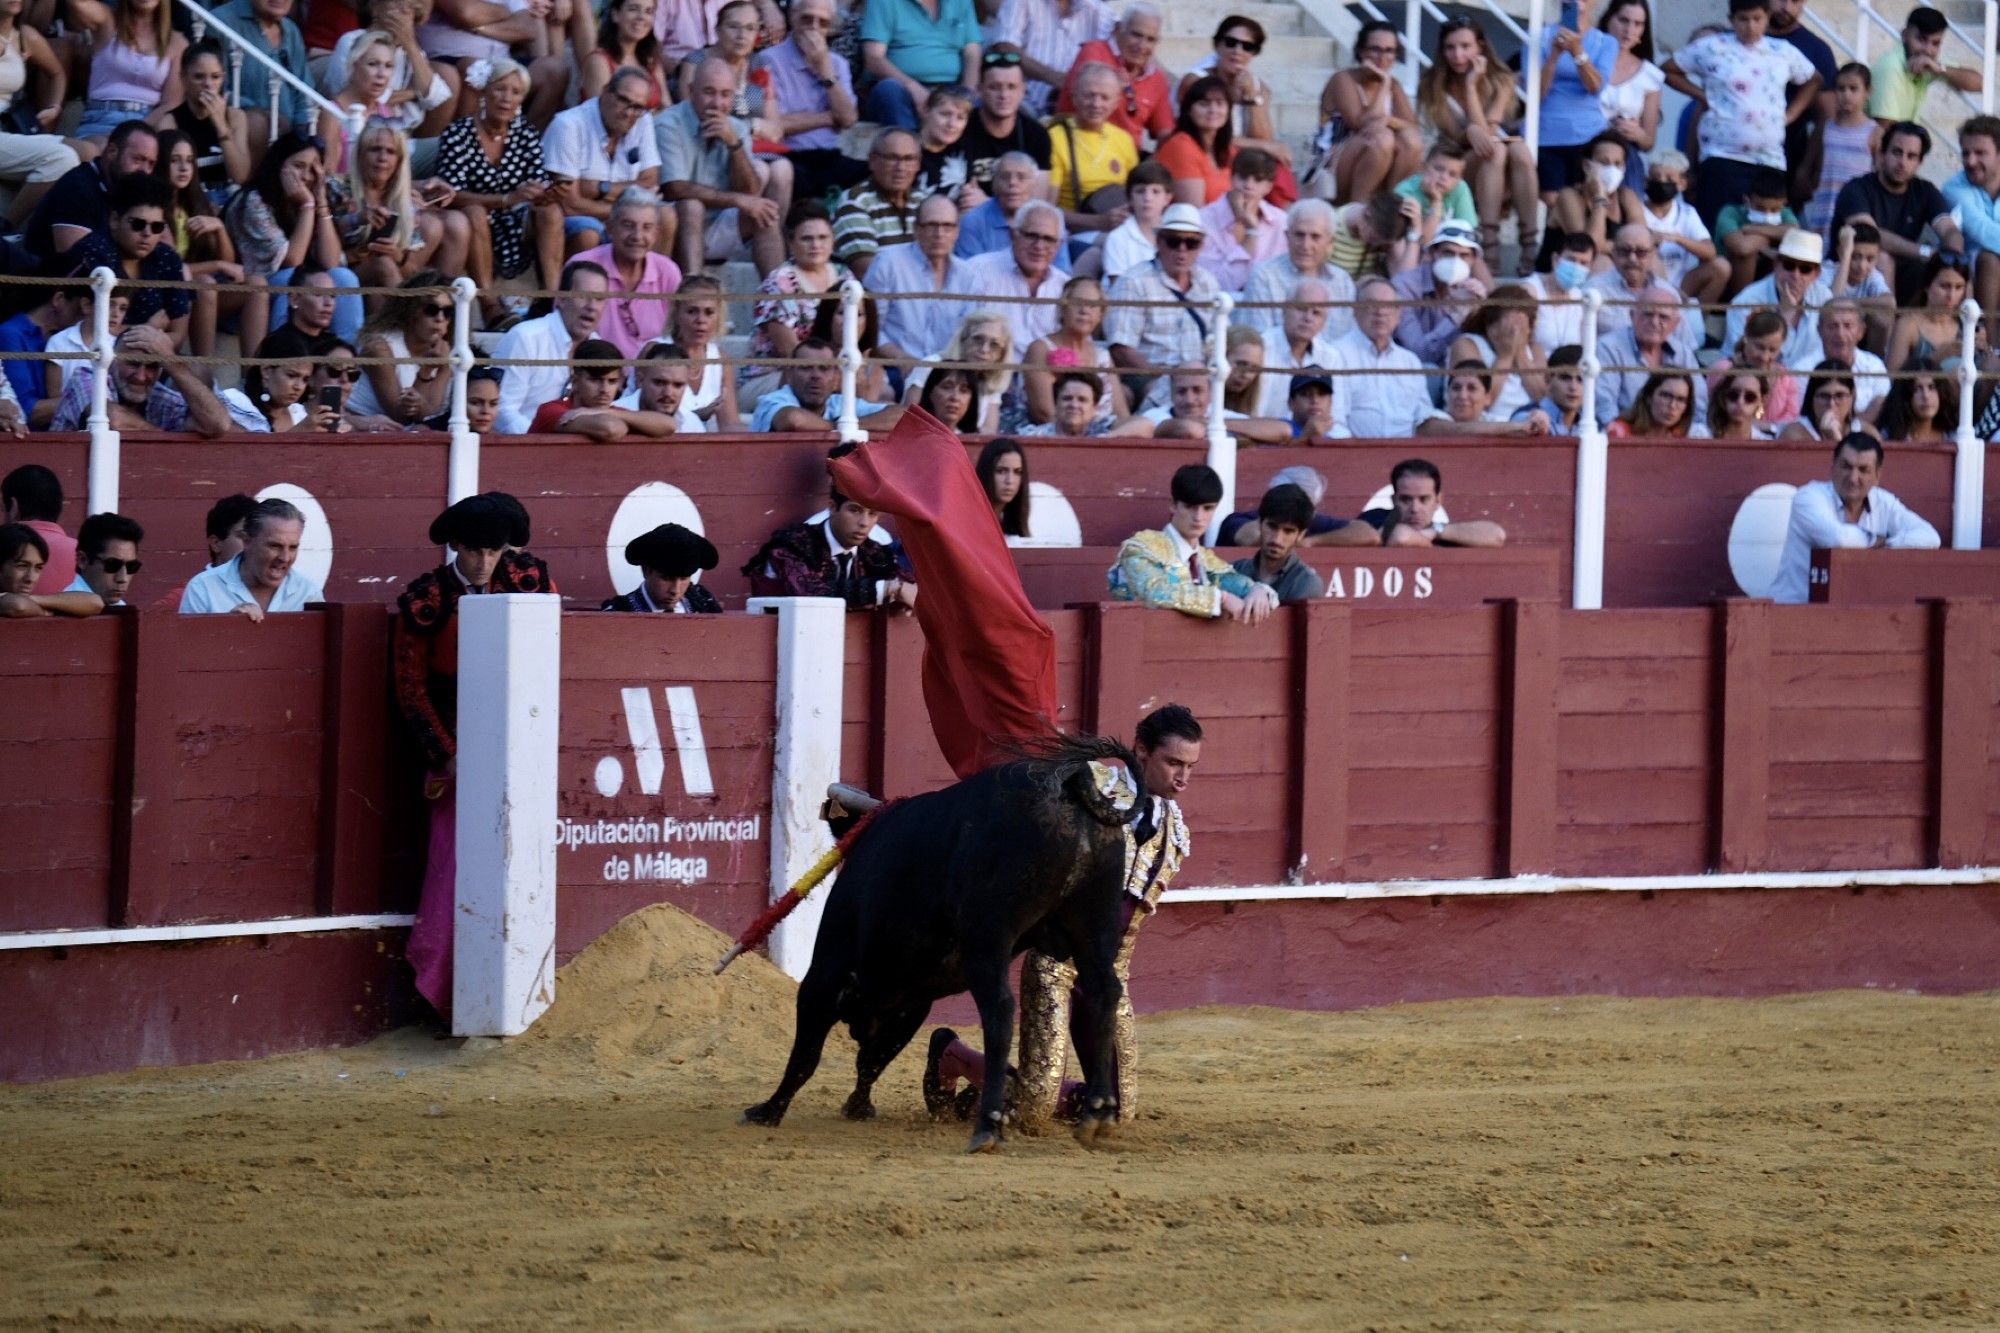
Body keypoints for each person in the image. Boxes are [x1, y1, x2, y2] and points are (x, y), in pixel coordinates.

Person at [922, 702, 1202, 1131]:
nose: (1183, 777)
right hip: (1057, 964)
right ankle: (954, 1053)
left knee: (1117, 1109)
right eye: (1173, 763)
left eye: (1190, 766)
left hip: (1110, 974)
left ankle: (991, 1096)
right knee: (1036, 1109)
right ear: (1141, 751)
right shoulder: (1087, 786)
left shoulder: (1174, 826)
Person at [396, 494, 555, 1016]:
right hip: (458, 758)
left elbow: (551, 655)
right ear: (455, 546)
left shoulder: (530, 578)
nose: (485, 563)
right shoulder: (425, 598)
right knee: (452, 867)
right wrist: (449, 756)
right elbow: (410, 687)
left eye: (494, 551)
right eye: (474, 552)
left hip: (524, 747)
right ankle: (443, 996)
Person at [434, 57, 566, 324]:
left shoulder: (526, 134)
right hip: (476, 219)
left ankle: (554, 301)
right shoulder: (458, 133)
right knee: (474, 212)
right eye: (500, 89)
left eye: (516, 92)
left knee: (550, 211)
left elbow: (536, 181)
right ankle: (489, 305)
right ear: (485, 91)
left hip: (516, 221)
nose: (507, 98)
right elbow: (450, 194)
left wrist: (544, 193)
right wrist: (506, 200)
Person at [1663, 0, 1819, 224]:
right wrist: (1702, 95)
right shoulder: (1713, 47)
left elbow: (1813, 79)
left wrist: (1792, 113)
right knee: (1719, 226)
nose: (1750, 26)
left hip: (1768, 159)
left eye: (1757, 19)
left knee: (1764, 228)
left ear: (1767, 17)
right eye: (1743, 19)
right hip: (1722, 155)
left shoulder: (1782, 51)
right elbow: (1669, 70)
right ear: (1731, 20)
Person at [1414, 17, 1536, 267]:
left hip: (1496, 171)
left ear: (1480, 46)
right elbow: (1460, 138)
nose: (1458, 55)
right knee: (1496, 152)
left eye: (1465, 46)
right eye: (1450, 47)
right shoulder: (1433, 84)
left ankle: (1530, 244)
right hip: (1456, 167)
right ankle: (1488, 242)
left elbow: (1487, 133)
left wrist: (1471, 89)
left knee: (1519, 150)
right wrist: (1470, 90)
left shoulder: (1501, 79)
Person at [223, 131, 358, 346]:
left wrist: (320, 201)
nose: (306, 176)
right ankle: (283, 360)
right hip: (247, 302)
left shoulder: (314, 195)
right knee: (290, 280)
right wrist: (307, 206)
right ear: (279, 166)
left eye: (313, 168)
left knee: (343, 278)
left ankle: (342, 362)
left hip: (293, 290)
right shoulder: (254, 201)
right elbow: (291, 261)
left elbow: (331, 262)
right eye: (298, 166)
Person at [658, 58, 791, 277]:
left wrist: (734, 145)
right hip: (675, 229)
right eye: (709, 92)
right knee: (692, 206)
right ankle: (694, 291)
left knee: (765, 213)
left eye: (725, 95)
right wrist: (737, 200)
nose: (717, 103)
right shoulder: (668, 124)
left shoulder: (736, 128)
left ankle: (777, 302)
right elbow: (675, 189)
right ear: (691, 91)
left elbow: (750, 191)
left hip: (717, 224)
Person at [743, 444, 917, 610]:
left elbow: (906, 585)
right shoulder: (792, 544)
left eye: (873, 514)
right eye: (855, 510)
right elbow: (808, 592)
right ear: (833, 507)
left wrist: (901, 596)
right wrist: (888, 589)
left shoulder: (873, 552)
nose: (864, 522)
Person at [1771, 434, 1939, 603]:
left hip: (1849, 613)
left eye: (1863, 470)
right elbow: (1837, 539)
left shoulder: (1884, 502)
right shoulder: (1808, 497)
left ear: (1877, 476)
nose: (1853, 478)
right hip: (1792, 611)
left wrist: (1888, 544)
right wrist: (1875, 541)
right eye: (1846, 466)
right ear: (1833, 467)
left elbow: (1930, 537)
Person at [1108, 463, 1275, 622]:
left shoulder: (1208, 563)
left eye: (1207, 508)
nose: (1198, 517)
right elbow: (1154, 592)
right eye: (1190, 507)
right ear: (1173, 505)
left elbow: (1242, 585)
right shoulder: (1141, 548)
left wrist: (1258, 590)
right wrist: (1220, 598)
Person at [1832, 120, 1964, 304]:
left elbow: (1949, 230)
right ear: (1882, 153)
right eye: (1897, 152)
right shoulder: (1857, 189)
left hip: (1907, 271)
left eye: (1911, 156)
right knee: (1884, 259)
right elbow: (1872, 236)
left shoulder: (1925, 191)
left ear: (1920, 162)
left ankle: (1967, 327)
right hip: (1854, 270)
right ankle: (1891, 328)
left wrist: (1954, 255)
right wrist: (1926, 252)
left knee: (1959, 266)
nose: (1902, 162)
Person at [1104, 202, 1218, 406]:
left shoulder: (1208, 283)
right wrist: (1167, 380)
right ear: (1159, 241)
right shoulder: (1134, 281)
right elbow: (1121, 349)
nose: (1182, 250)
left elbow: (1218, 339)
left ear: (1200, 246)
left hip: (1199, 377)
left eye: (1191, 243)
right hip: (1149, 376)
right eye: (1174, 241)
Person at [543, 70, 665, 257]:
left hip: (613, 215)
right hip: (571, 218)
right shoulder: (568, 125)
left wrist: (600, 188)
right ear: (605, 91)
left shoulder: (643, 120)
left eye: (637, 107)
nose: (628, 112)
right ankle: (575, 284)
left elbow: (650, 182)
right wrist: (629, 213)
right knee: (588, 232)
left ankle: (651, 284)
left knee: (667, 217)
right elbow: (571, 204)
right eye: (623, 100)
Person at [63, 175, 192, 347]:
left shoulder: (167, 258)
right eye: (138, 224)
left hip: (149, 361)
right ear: (115, 220)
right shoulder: (92, 253)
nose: (147, 233)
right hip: (89, 359)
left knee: (200, 369)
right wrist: (149, 329)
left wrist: (124, 332)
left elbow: (178, 333)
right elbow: (81, 329)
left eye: (156, 227)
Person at [1533, 1, 1618, 252]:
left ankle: (1576, 253)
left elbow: (1595, 87)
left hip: (1589, 135)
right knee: (1553, 200)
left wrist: (1578, 52)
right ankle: (1578, 251)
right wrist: (1555, 55)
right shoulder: (1540, 37)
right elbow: (1536, 92)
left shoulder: (1605, 42)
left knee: (1589, 198)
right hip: (1548, 134)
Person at [758, 0, 863, 199]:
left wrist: (824, 69)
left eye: (822, 22)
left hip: (829, 155)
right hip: (787, 155)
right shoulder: (767, 60)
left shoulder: (837, 64)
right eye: (807, 19)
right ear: (793, 18)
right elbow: (773, 125)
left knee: (872, 171)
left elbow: (849, 119)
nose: (813, 27)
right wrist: (829, 117)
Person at [49, 324, 231, 436]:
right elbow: (112, 419)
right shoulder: (87, 377)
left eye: (152, 366)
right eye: (133, 364)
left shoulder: (159, 397)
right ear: (112, 361)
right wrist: (164, 435)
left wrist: (172, 362)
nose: (141, 376)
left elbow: (218, 424)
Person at [492, 261, 609, 434]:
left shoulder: (601, 348)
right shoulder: (525, 338)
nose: (592, 306)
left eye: (599, 299)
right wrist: (543, 441)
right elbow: (502, 412)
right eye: (583, 296)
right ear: (561, 298)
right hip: (524, 448)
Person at [1314, 20, 1420, 207]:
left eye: (1389, 51)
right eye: (1375, 49)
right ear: (1362, 51)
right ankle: (1358, 208)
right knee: (1381, 137)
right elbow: (1361, 124)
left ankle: (1392, 205)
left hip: (1376, 159)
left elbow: (1412, 126)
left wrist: (1387, 119)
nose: (1382, 57)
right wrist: (1384, 85)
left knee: (1411, 141)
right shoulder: (1343, 80)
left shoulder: (1394, 84)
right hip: (1332, 162)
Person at [570, 188, 683, 360]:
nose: (637, 236)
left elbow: (679, 334)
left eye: (647, 228)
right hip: (597, 375)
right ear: (610, 228)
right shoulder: (583, 267)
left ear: (656, 234)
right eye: (628, 225)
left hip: (652, 380)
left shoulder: (668, 272)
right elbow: (567, 333)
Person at [1327, 277, 1444, 438]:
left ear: (1398, 314)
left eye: (1388, 306)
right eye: (1372, 305)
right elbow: (1335, 422)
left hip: (1406, 454)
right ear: (1355, 310)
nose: (1380, 312)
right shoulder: (1335, 356)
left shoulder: (1410, 362)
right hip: (1356, 454)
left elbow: (1422, 417)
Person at [25, 118, 156, 260]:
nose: (145, 171)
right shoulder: (78, 186)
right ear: (112, 151)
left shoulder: (129, 190)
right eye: (137, 159)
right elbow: (77, 259)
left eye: (151, 164)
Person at [0, 0, 79, 227]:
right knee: (63, 158)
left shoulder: (25, 37)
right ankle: (7, 227)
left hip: (9, 128)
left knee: (89, 153)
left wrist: (54, 107)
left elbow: (56, 74)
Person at [864, 193, 968, 363]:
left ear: (956, 232)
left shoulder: (967, 274)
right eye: (931, 225)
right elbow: (870, 328)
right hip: (894, 368)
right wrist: (903, 360)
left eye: (947, 226)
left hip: (946, 374)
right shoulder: (888, 264)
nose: (939, 233)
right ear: (916, 229)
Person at [180, 497, 325, 617]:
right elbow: (188, 650)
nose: (285, 558)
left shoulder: (308, 593)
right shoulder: (203, 588)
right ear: (247, 541)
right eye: (274, 546)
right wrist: (226, 627)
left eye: (293, 547)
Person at [67, 0, 183, 147]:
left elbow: (171, 103)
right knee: (104, 152)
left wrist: (133, 131)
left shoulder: (177, 42)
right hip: (101, 119)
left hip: (147, 123)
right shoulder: (108, 21)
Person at [1055, 4, 1172, 149]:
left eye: (1150, 39)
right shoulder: (1094, 51)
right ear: (1118, 31)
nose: (1142, 45)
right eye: (1136, 35)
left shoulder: (1157, 78)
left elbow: (1165, 132)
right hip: (1079, 147)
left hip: (1127, 159)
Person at [1239, 199, 1357, 341]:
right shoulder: (1264, 276)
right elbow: (1257, 340)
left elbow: (1344, 340)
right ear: (1287, 236)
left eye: (1315, 237)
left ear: (1330, 242)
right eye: (1299, 235)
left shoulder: (1342, 281)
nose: (1306, 245)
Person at [208, 0, 314, 155]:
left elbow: (305, 89)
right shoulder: (220, 22)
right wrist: (261, 113)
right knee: (257, 123)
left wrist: (302, 125)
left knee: (328, 117)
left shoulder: (291, 30)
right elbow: (213, 87)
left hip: (289, 129)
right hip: (240, 123)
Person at [963, 198, 1068, 352]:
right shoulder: (977, 271)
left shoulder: (1065, 286)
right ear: (1013, 235)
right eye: (1031, 236)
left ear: (1058, 245)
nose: (1039, 246)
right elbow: (961, 334)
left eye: (1048, 239)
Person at [349, 270, 453, 426]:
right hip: (359, 429)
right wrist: (426, 371)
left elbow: (431, 417)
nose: (440, 318)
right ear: (410, 310)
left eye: (447, 312)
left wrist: (444, 368)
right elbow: (402, 416)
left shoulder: (446, 352)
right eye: (431, 310)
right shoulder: (379, 348)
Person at [858, 0, 980, 132]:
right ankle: (910, 148)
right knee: (889, 90)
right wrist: (913, 88)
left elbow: (972, 52)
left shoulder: (961, 2)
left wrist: (968, 93)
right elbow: (874, 58)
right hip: (902, 87)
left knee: (994, 98)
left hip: (951, 88)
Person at [1593, 286, 1707, 426]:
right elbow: (1604, 408)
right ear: (1632, 316)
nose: (1654, 322)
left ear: (1675, 324)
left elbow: (1699, 407)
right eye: (1648, 314)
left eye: (1663, 317)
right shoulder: (1608, 348)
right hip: (1625, 439)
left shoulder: (1683, 353)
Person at [1021, 274, 1126, 425]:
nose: (1084, 310)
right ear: (1063, 308)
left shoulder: (1103, 356)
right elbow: (1044, 413)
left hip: (1102, 438)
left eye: (1092, 305)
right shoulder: (1040, 349)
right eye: (1078, 302)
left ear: (1100, 315)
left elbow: (1122, 414)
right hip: (1056, 436)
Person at [1048, 62, 1136, 240]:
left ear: (1116, 102)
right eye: (1089, 95)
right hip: (1073, 234)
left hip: (1121, 231)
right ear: (1074, 96)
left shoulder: (1123, 139)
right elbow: (1045, 209)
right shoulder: (1055, 138)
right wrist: (1098, 222)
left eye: (1105, 97)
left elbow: (1136, 195)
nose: (1096, 104)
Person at [530, 337, 679, 439]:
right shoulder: (551, 411)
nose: (604, 389)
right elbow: (611, 428)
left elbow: (669, 425)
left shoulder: (613, 411)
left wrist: (605, 411)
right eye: (595, 380)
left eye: (612, 381)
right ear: (575, 381)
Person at [1585, 223, 1701, 353]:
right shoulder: (1594, 289)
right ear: (1614, 253)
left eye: (1641, 253)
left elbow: (1686, 347)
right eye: (1624, 251)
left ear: (1653, 254)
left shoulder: (1667, 293)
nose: (1632, 259)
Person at [1867, 5, 1984, 128]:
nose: (1928, 50)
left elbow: (1979, 84)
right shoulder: (1890, 69)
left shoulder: (1929, 61)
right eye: (1921, 40)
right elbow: (1885, 132)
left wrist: (1941, 69)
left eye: (1936, 43)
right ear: (1904, 35)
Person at [1390, 219, 1487, 366]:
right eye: (1448, 253)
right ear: (1433, 253)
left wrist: (1479, 312)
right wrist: (1456, 315)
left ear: (1473, 260)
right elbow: (1419, 354)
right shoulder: (1405, 286)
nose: (1455, 261)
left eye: (1464, 255)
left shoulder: (1472, 292)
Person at [755, 336, 903, 432]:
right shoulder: (772, 400)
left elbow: (903, 415)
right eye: (806, 368)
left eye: (824, 369)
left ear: (837, 377)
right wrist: (841, 427)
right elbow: (793, 420)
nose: (816, 376)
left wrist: (849, 425)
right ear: (790, 374)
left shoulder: (838, 403)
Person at [1637, 150, 1728, 308]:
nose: (1662, 182)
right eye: (1656, 177)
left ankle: (1697, 320)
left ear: (1682, 184)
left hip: (1682, 285)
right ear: (1646, 181)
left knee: (1721, 266)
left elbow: (1710, 252)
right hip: (1645, 283)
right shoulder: (1636, 210)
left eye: (1669, 179)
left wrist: (1678, 238)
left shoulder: (1687, 212)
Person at [833, 127, 926, 278]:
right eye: (892, 158)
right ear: (872, 161)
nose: (900, 167)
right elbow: (870, 274)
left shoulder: (923, 202)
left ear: (918, 164)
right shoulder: (855, 202)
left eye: (909, 159)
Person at [1447, 284, 1547, 424]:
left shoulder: (1535, 350)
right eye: (1511, 327)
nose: (1516, 333)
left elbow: (1544, 399)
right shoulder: (1467, 345)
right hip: (1485, 428)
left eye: (1522, 327)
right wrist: (1505, 356)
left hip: (1529, 427)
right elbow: (1479, 403)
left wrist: (1520, 355)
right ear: (1491, 326)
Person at [991, 0, 1110, 118]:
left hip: (1075, 110)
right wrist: (1053, 77)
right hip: (1024, 103)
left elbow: (1122, 41)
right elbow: (1004, 47)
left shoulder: (1097, 10)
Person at [1802, 63, 1881, 237]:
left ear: (1867, 92)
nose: (1846, 95)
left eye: (1854, 89)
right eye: (1841, 89)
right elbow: (1811, 164)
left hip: (1856, 208)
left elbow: (1880, 175)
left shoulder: (1874, 132)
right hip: (1825, 204)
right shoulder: (1825, 128)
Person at [1357, 457, 1507, 548]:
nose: (1415, 508)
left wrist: (1436, 531)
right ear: (1393, 500)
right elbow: (1400, 537)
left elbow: (1497, 535)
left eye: (1424, 499)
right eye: (1406, 500)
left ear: (1438, 501)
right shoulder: (1374, 519)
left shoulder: (1443, 532)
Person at [1195, 148, 1284, 293]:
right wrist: (1252, 232)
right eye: (1243, 177)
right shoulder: (1203, 219)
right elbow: (1213, 284)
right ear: (1231, 178)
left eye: (1258, 180)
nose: (1248, 185)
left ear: (1268, 187)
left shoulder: (1281, 222)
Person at [1596, 0, 1662, 195]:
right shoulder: (1587, 58)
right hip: (1583, 144)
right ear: (1609, 19)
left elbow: (1648, 142)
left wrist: (1636, 132)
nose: (1629, 30)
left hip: (1623, 151)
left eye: (1638, 24)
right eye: (1623, 20)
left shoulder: (1650, 75)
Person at [961, 46, 1053, 183]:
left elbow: (1039, 197)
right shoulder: (959, 128)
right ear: (980, 90)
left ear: (1023, 91)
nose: (1003, 95)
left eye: (1011, 87)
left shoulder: (1037, 135)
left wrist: (988, 203)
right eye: (994, 87)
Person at [1548, 132, 1643, 264]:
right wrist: (1600, 197)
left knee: (1653, 262)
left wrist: (1610, 246)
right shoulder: (1569, 196)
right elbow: (1589, 247)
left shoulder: (1626, 195)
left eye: (1617, 164)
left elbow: (1642, 243)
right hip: (1566, 271)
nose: (1612, 169)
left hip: (1611, 270)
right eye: (1605, 163)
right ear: (1587, 166)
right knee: (1601, 262)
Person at [1252, 280, 1339, 416]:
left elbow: (1334, 416)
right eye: (1301, 308)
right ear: (1284, 310)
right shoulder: (1261, 349)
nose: (1308, 318)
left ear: (1323, 322)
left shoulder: (1330, 357)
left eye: (1316, 313)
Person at [1944, 116, 2000, 324]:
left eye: (1980, 153)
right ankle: (1992, 350)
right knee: (1989, 259)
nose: (1970, 161)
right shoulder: (1953, 189)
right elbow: (1982, 231)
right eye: (1965, 153)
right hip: (1969, 274)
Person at [1230, 483, 1324, 604]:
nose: (1277, 539)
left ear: (1301, 534)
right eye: (1272, 526)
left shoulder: (1307, 583)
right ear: (1260, 523)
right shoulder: (1234, 570)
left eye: (1288, 531)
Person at [1140, 367, 1288, 443]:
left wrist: (1214, 423)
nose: (1190, 400)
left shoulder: (1218, 415)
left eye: (1197, 391)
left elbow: (1283, 430)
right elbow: (1191, 430)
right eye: (1181, 391)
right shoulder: (1154, 416)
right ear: (1171, 393)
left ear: (1210, 392)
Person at [1710, 308, 1805, 423]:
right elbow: (1716, 412)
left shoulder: (1785, 377)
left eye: (1772, 350)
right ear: (1746, 337)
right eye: (1760, 347)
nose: (1765, 357)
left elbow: (1792, 416)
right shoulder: (1723, 370)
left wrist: (1768, 428)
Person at [224, 334, 336, 431]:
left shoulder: (299, 414)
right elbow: (252, 453)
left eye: (305, 379)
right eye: (291, 375)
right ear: (266, 371)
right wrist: (299, 432)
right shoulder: (235, 404)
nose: (299, 386)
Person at [1152, 73, 1233, 206]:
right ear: (1189, 110)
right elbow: (1194, 212)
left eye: (1219, 103)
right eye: (1204, 104)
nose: (1213, 110)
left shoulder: (1227, 149)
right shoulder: (1181, 146)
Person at [604, 523, 722, 612]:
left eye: (684, 578)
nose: (675, 590)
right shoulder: (620, 611)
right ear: (646, 571)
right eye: (666, 578)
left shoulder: (703, 602)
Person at [1420, 359, 1554, 437]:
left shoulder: (1495, 420)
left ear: (1488, 398)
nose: (1462, 395)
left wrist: (1539, 420)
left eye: (1472, 388)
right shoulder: (1431, 417)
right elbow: (1458, 430)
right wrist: (1518, 427)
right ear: (1447, 394)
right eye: (1456, 388)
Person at [1886, 252, 1972, 373]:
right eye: (1944, 286)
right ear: (1927, 286)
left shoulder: (1967, 323)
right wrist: (1934, 359)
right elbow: (1892, 380)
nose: (1951, 296)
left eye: (1958, 287)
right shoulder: (1908, 326)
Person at [1803, 298, 1889, 415]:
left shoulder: (1875, 366)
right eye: (1833, 326)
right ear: (1820, 330)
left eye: (1847, 326)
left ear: (1861, 331)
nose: (1840, 334)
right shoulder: (1803, 369)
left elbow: (1884, 408)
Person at [583, 0, 674, 109]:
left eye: (648, 12)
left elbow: (668, 107)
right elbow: (602, 114)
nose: (642, 17)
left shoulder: (651, 61)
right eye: (633, 9)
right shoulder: (599, 61)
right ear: (615, 14)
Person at [0, 523, 102, 617]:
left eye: (38, 568)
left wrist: (34, 600)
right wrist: (43, 612)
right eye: (22, 566)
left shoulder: (32, 602)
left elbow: (95, 602)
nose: (30, 578)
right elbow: (18, 606)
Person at [953, 148, 1039, 258]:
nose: (1012, 183)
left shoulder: (1051, 221)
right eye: (1004, 177)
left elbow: (1061, 272)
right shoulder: (972, 222)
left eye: (1021, 177)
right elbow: (971, 272)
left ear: (1035, 185)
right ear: (994, 185)